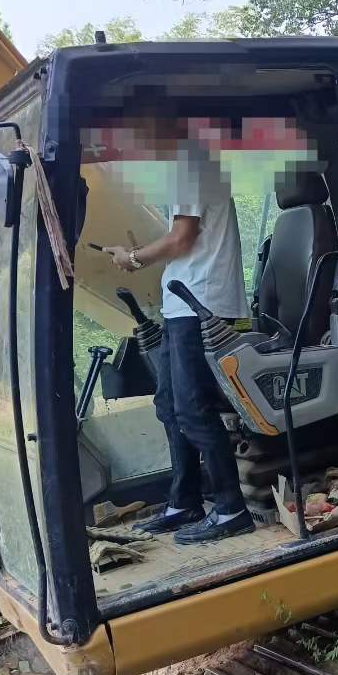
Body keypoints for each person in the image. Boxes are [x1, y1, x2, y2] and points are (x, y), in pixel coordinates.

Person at [103, 134, 255, 545]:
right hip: (180, 303)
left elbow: (182, 239)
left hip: (200, 302)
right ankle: (184, 502)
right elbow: (183, 241)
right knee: (169, 405)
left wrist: (134, 258)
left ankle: (231, 509)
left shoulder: (191, 164)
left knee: (193, 408)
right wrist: (135, 252)